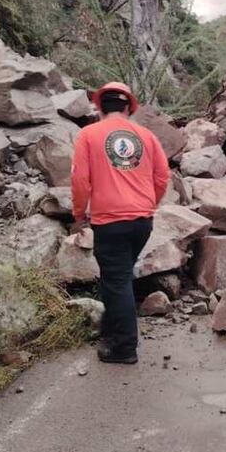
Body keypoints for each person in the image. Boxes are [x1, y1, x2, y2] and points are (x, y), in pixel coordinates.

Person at [71, 82, 170, 364]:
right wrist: (150, 203)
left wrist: (79, 214)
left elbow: (80, 180)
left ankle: (124, 348)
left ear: (100, 107)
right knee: (118, 277)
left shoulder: (89, 135)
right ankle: (111, 330)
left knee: (117, 279)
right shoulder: (147, 136)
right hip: (142, 220)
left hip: (110, 221)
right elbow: (162, 177)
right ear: (129, 108)